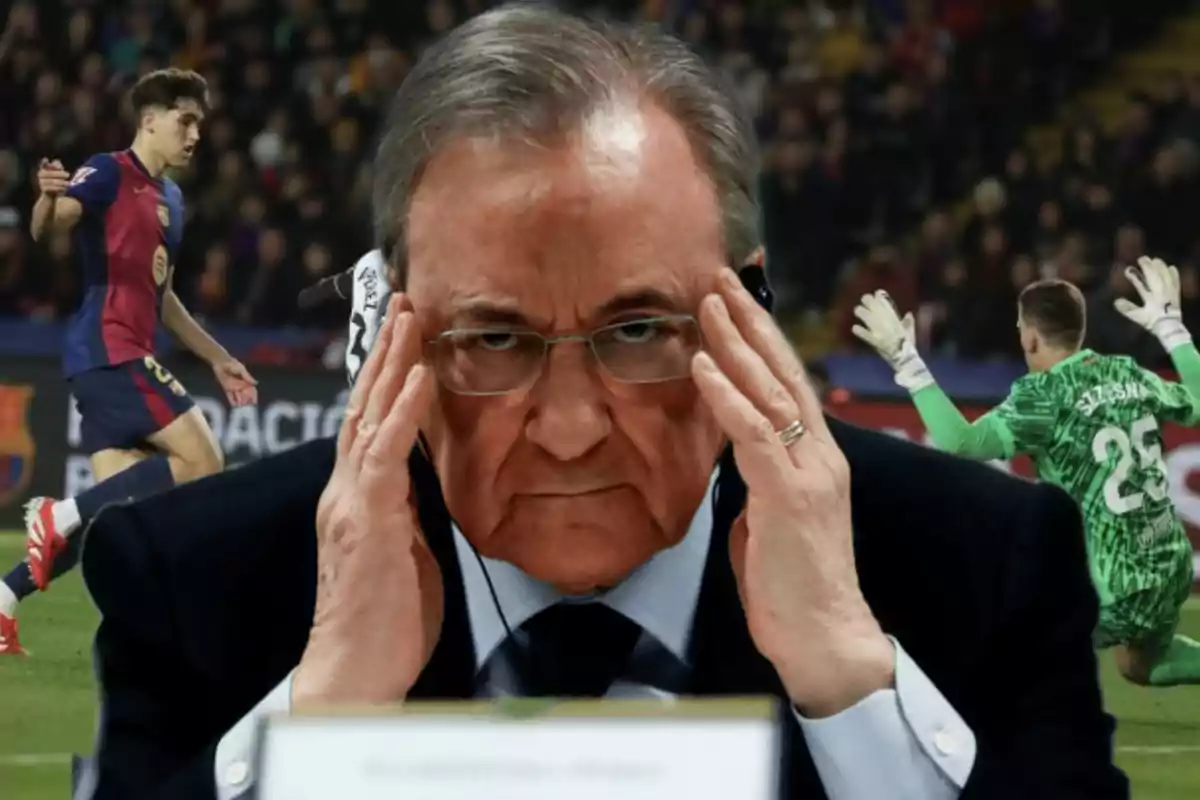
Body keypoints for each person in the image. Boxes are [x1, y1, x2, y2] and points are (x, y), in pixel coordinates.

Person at [77, 7, 1126, 799]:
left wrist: (855, 686)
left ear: (748, 308)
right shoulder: (192, 579)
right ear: (393, 330)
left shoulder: (989, 565)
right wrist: (322, 714)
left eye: (638, 330)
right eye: (494, 336)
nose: (572, 426)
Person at [0, 68, 258, 656]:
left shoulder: (172, 200)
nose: (194, 135)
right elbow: (54, 227)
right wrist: (45, 197)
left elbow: (164, 300)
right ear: (150, 119)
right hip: (110, 348)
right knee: (202, 459)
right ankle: (57, 513)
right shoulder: (110, 170)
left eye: (199, 124)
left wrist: (219, 359)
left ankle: (4, 597)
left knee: (115, 522)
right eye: (184, 120)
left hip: (118, 354)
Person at [852, 258, 1200, 687]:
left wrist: (908, 362)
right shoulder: (1127, 371)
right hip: (1171, 568)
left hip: (1110, 594)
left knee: (979, 628)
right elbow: (1197, 402)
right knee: (1140, 664)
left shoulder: (1042, 397)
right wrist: (1172, 330)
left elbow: (962, 442)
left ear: (1031, 337)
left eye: (1020, 328)